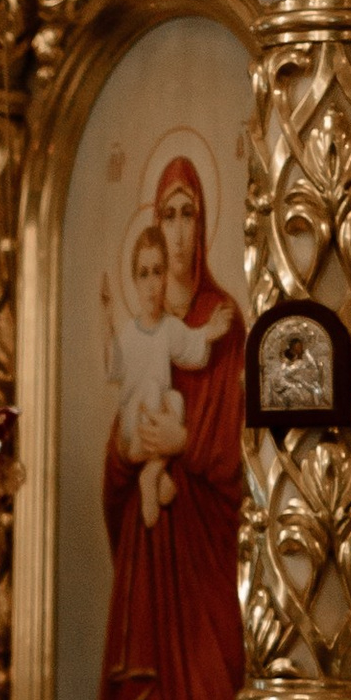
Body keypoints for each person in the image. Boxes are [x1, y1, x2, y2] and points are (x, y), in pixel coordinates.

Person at [94, 144, 245, 700]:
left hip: (204, 592)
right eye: (170, 215)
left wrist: (187, 448)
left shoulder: (226, 327)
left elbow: (245, 458)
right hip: (147, 589)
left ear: (208, 224)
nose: (182, 232)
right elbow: (113, 467)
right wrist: (127, 452)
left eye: (192, 213)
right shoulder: (146, 328)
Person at [101, 204, 224, 531]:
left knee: (176, 400)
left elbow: (191, 347)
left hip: (158, 425)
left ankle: (154, 473)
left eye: (158, 272)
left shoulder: (169, 328)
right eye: (144, 274)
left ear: (166, 275)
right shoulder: (128, 333)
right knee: (156, 391)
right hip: (134, 426)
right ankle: (153, 472)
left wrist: (210, 331)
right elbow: (113, 368)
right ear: (135, 280)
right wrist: (106, 322)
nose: (152, 283)